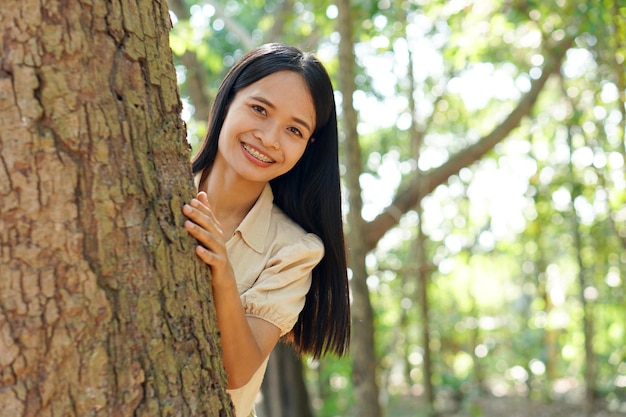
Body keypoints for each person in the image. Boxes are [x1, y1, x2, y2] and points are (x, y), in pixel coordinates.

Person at [182, 43, 350, 417]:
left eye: (294, 129)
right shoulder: (149, 186)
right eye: (259, 109)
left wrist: (222, 273)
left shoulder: (294, 250)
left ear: (308, 147)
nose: (270, 138)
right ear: (228, 100)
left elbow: (237, 372)